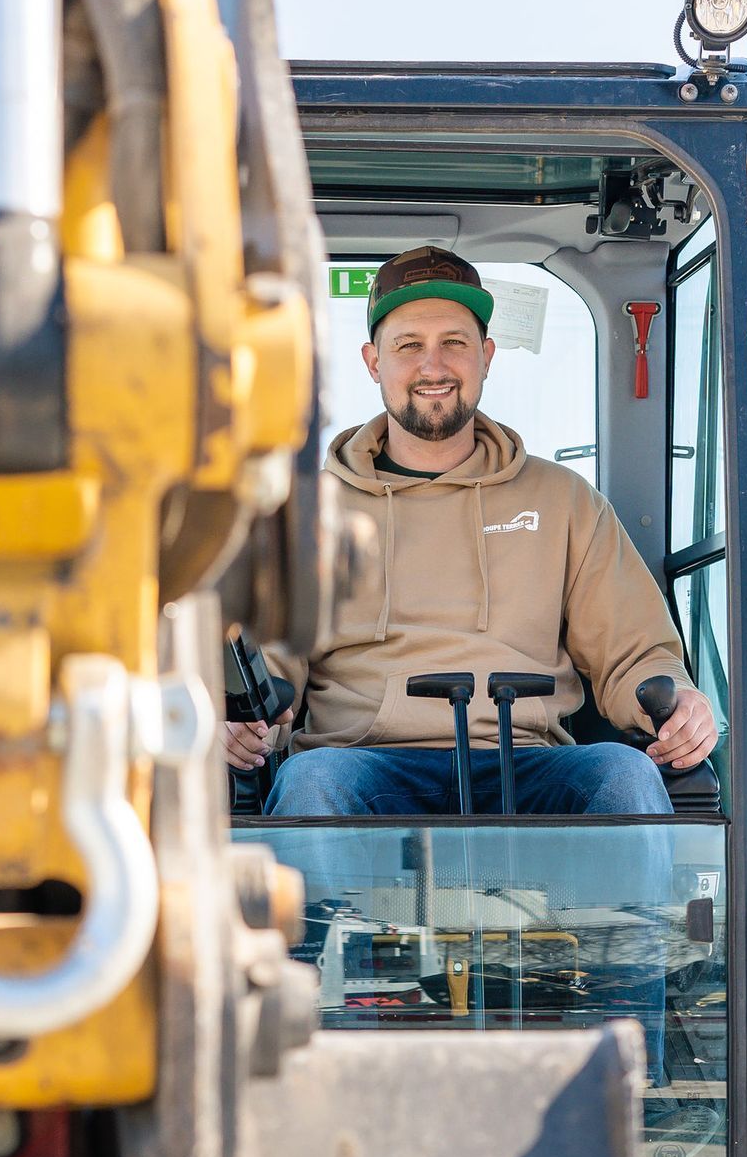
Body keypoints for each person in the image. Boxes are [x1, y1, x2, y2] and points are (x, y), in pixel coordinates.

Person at [224, 245, 718, 815]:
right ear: (372, 361)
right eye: (409, 345)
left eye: (454, 344)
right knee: (311, 786)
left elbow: (634, 652)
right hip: (361, 761)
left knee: (624, 776)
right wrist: (239, 721)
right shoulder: (306, 514)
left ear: (485, 355)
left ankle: (638, 913)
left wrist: (678, 698)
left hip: (528, 760)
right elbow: (269, 668)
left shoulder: (563, 502)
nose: (433, 367)